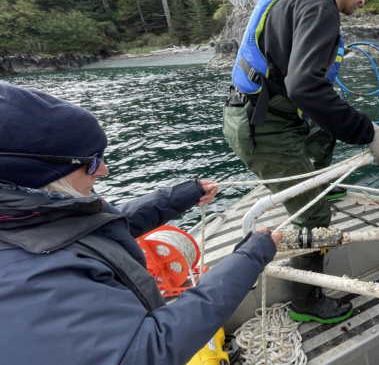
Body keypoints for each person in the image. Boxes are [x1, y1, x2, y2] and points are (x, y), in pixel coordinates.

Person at [0, 82, 282, 364]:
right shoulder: (26, 278)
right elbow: (148, 352)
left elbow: (99, 228)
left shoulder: (36, 210)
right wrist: (249, 258)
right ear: (36, 173)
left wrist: (181, 196)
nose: (104, 170)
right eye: (92, 161)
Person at [222, 0, 379, 324]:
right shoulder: (320, 9)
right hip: (263, 128)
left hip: (259, 114)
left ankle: (317, 179)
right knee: (314, 214)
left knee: (327, 129)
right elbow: (305, 88)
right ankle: (306, 301)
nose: (364, 0)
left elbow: (299, 83)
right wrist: (369, 133)